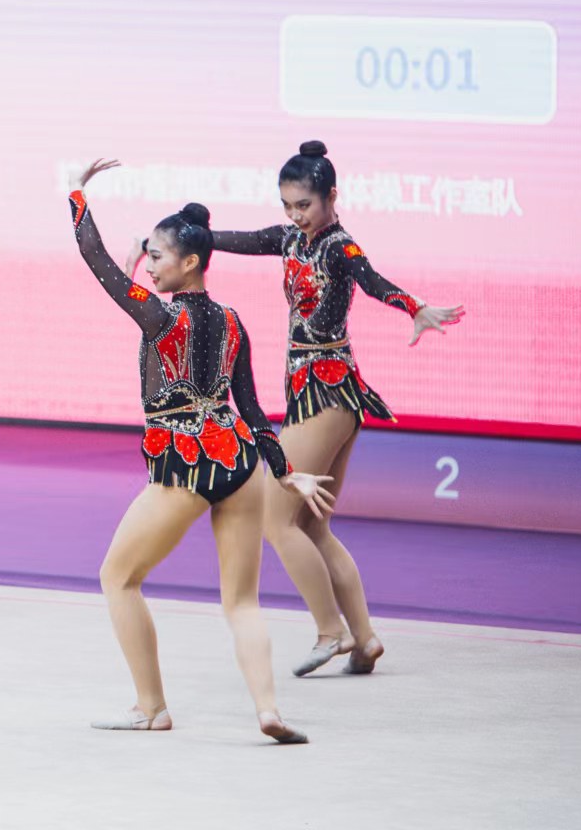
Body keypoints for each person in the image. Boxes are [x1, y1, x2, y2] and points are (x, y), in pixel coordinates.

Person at [71, 158, 332, 743]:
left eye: (157, 256)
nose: (150, 266)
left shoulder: (160, 317)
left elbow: (97, 261)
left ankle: (151, 707)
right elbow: (253, 410)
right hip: (239, 462)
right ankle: (267, 710)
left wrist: (77, 192)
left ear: (189, 262)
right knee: (242, 602)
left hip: (184, 464)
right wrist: (285, 472)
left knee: (118, 577)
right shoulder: (232, 321)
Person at [208, 140, 465, 676]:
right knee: (313, 526)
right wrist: (180, 237)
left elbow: (371, 280)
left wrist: (413, 307)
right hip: (326, 395)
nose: (295, 215)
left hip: (323, 393)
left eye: (304, 204)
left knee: (276, 518)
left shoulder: (339, 247)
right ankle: (365, 639)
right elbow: (236, 239)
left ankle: (331, 631)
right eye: (287, 206)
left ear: (331, 196)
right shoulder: (289, 238)